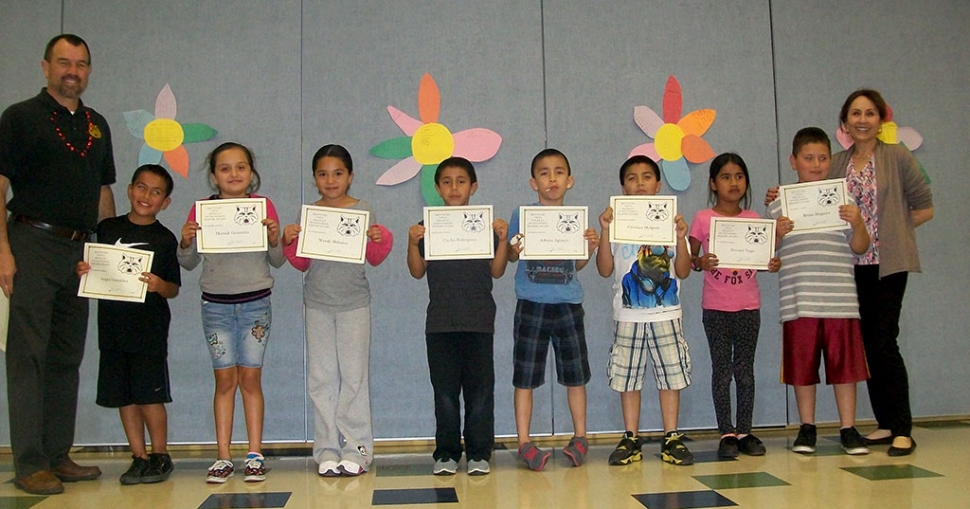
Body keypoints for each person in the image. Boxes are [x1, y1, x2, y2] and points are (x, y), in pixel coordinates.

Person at [0, 34, 115, 495]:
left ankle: (56, 454)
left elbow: (104, 192)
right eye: (64, 62)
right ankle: (29, 463)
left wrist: (108, 254)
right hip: (32, 241)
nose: (73, 71)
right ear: (45, 66)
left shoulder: (97, 124)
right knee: (28, 355)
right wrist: (3, 250)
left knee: (66, 355)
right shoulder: (19, 118)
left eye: (82, 64)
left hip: (81, 251)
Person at [830, 90, 933, 456]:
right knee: (867, 345)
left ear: (880, 121)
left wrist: (894, 233)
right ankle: (885, 422)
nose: (862, 119)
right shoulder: (837, 163)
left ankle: (903, 426)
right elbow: (817, 202)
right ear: (845, 123)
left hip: (888, 265)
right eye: (855, 113)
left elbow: (924, 207)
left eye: (870, 113)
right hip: (848, 267)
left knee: (884, 341)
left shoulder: (897, 157)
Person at [281, 144, 393, 476]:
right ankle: (326, 449)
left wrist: (379, 237)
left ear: (351, 176)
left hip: (354, 304)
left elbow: (375, 257)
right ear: (315, 178)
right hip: (316, 304)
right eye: (323, 174)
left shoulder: (363, 209)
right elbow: (301, 263)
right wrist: (289, 241)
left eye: (338, 173)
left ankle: (357, 449)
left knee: (354, 378)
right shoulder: (309, 214)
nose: (330, 180)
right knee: (322, 379)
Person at [178, 142, 284, 482]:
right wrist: (185, 241)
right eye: (225, 168)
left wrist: (274, 237)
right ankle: (223, 455)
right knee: (224, 381)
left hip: (256, 304)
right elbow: (189, 262)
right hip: (216, 306)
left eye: (241, 167)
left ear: (251, 173)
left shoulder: (263, 206)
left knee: (250, 379)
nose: (234, 174)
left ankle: (254, 454)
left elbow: (278, 259)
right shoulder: (202, 210)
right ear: (213, 176)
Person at [767, 128, 871, 455]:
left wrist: (858, 223)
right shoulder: (780, 202)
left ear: (831, 160)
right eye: (808, 158)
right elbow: (768, 253)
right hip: (799, 299)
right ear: (793, 161)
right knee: (802, 369)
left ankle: (848, 428)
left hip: (840, 299)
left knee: (846, 369)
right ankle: (807, 428)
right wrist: (779, 234)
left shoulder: (846, 199)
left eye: (823, 158)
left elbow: (860, 248)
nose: (816, 164)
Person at [77, 164, 181, 482]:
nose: (146, 195)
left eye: (155, 191)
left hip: (148, 330)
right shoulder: (106, 229)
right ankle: (138, 456)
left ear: (165, 201)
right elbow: (95, 266)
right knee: (124, 396)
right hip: (112, 329)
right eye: (141, 187)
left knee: (150, 395)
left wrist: (157, 284)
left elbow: (173, 288)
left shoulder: (164, 238)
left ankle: (160, 455)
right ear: (129, 190)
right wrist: (85, 269)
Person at [407, 156, 509, 476]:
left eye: (461, 181)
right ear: (437, 188)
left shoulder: (486, 226)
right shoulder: (428, 227)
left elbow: (497, 270)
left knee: (480, 393)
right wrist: (412, 243)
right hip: (440, 324)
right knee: (446, 394)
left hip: (479, 322)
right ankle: (447, 453)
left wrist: (503, 240)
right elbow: (416, 271)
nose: (454, 187)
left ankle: (479, 452)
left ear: (473, 187)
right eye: (447, 182)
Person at [595, 155, 695, 466]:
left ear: (658, 184)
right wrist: (605, 230)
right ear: (622, 188)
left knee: (670, 377)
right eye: (632, 178)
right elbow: (604, 268)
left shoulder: (671, 221)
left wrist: (680, 238)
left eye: (647, 177)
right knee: (627, 379)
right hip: (628, 315)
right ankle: (631, 437)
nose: (640, 183)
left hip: (666, 313)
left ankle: (671, 436)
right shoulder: (616, 222)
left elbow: (684, 269)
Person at [508, 148, 599, 471]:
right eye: (544, 173)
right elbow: (511, 256)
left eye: (559, 172)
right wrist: (512, 247)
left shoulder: (576, 218)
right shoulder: (522, 214)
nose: (552, 178)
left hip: (568, 304)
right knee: (525, 377)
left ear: (569, 180)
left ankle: (580, 436)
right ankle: (523, 441)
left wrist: (589, 247)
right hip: (531, 303)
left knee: (576, 376)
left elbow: (577, 264)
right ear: (534, 182)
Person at [688, 153, 780, 459]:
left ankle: (745, 431)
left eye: (739, 176)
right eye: (725, 177)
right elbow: (690, 259)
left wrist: (771, 262)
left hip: (748, 306)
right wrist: (700, 262)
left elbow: (764, 259)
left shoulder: (755, 220)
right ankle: (726, 431)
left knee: (745, 371)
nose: (733, 182)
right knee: (721, 371)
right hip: (715, 307)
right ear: (713, 183)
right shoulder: (702, 219)